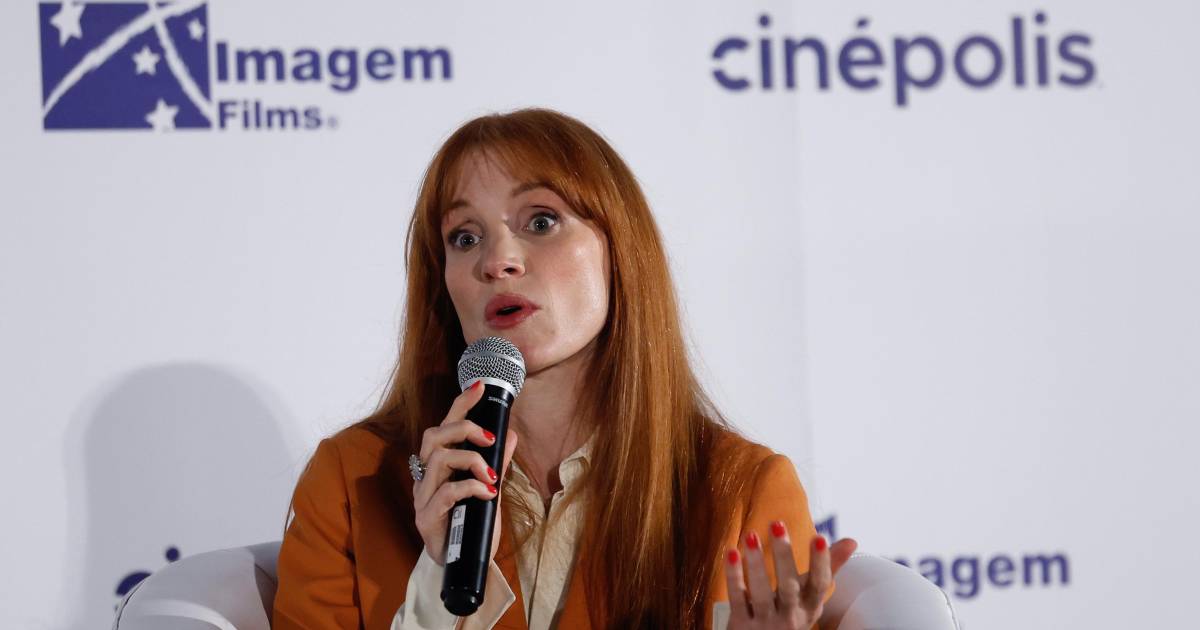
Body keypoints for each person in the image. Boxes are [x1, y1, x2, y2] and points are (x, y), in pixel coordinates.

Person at [272, 108, 857, 630]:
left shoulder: (740, 491)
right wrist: (437, 593)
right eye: (465, 237)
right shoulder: (350, 483)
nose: (498, 261)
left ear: (618, 251)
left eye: (541, 222)